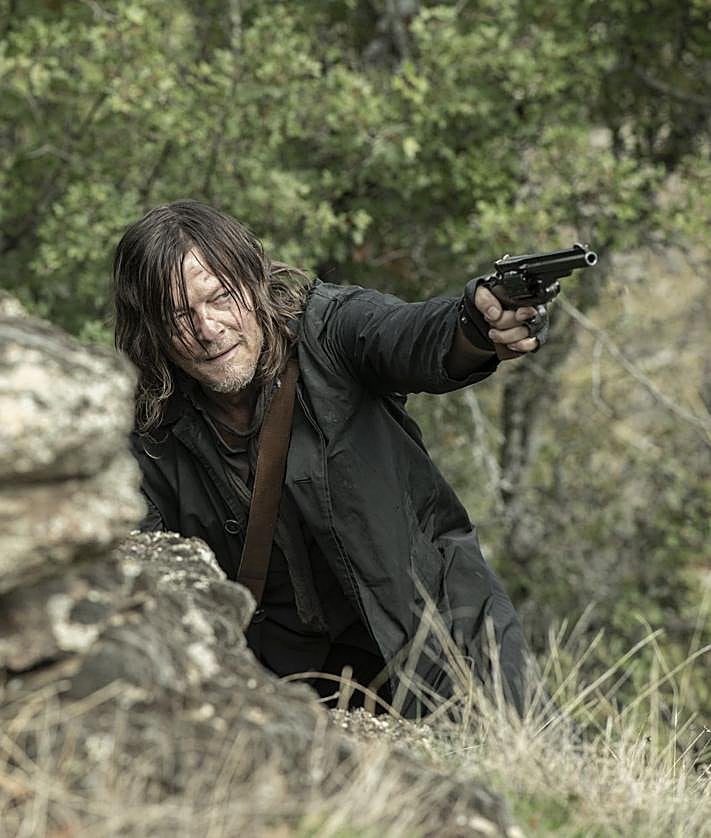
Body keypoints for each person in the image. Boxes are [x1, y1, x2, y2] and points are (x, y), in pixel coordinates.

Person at [113, 199, 549, 719]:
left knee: (519, 771)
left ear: (254, 283)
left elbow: (411, 335)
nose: (208, 329)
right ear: (153, 331)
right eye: (180, 314)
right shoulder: (144, 435)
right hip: (290, 684)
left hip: (437, 628)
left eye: (221, 297)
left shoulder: (329, 328)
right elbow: (143, 575)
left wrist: (476, 328)